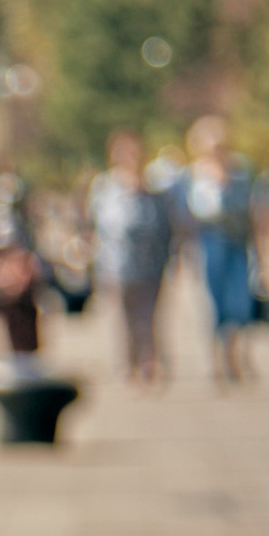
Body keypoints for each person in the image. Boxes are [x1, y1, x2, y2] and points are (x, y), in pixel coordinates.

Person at [89, 128, 175, 383]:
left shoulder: (155, 187)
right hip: (117, 262)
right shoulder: (105, 186)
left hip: (151, 260)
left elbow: (166, 223)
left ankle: (151, 362)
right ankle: (129, 362)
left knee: (149, 314)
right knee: (124, 315)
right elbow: (101, 223)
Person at [183, 113, 262, 384]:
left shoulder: (241, 172)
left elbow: (254, 211)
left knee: (239, 303)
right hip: (209, 243)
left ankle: (239, 355)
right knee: (214, 304)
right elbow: (188, 217)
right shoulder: (193, 175)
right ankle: (217, 360)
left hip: (237, 243)